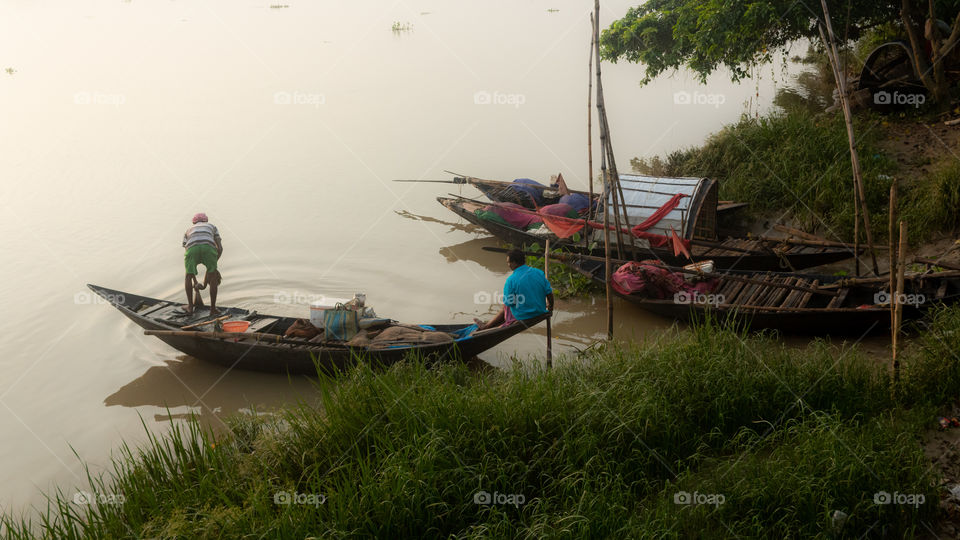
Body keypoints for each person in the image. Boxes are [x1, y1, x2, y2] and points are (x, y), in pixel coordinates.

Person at [476, 249, 553, 330]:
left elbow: (509, 303)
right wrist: (550, 308)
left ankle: (486, 326)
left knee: (506, 307)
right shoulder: (539, 272)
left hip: (523, 316)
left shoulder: (511, 280)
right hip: (540, 312)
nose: (508, 265)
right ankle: (491, 324)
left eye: (509, 262)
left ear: (514, 262)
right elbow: (549, 294)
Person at [182, 212, 223, 315]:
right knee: (213, 278)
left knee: (188, 276)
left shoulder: (188, 230)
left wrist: (194, 280)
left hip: (192, 249)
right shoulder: (212, 226)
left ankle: (190, 307)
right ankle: (213, 309)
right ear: (206, 221)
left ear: (194, 222)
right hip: (208, 249)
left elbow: (187, 250)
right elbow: (220, 248)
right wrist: (213, 266)